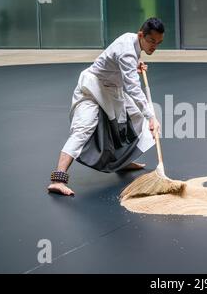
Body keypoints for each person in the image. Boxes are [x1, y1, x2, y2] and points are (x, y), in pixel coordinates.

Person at [47, 17, 164, 196]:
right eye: (152, 41)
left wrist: (134, 66)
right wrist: (152, 116)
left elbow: (118, 63)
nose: (154, 46)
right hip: (92, 89)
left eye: (159, 43)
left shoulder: (133, 41)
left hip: (111, 89)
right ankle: (57, 180)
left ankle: (123, 162)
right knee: (83, 128)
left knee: (135, 118)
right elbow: (132, 87)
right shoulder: (127, 52)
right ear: (141, 35)